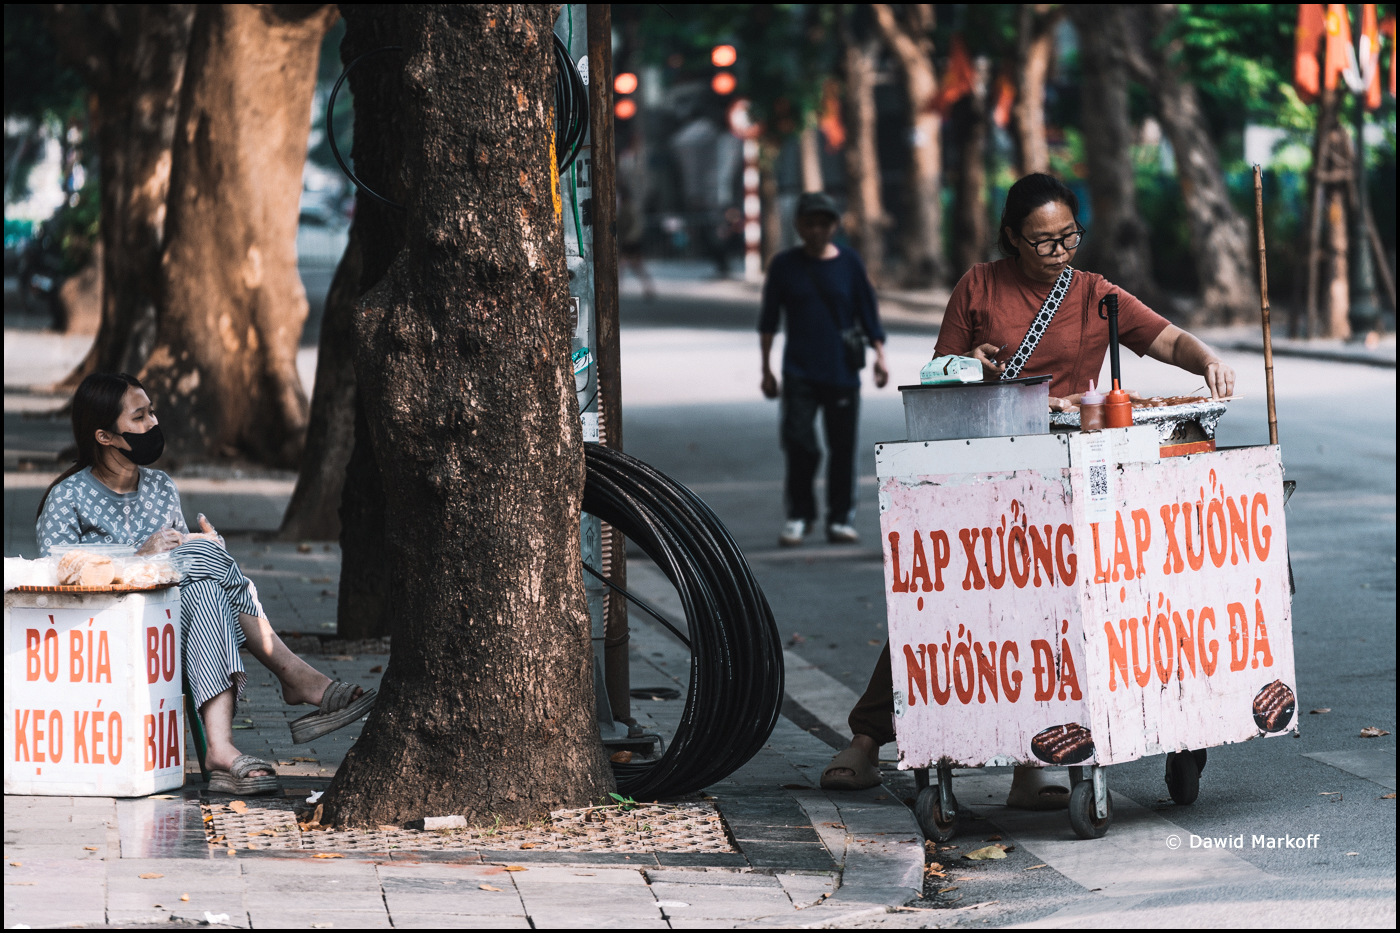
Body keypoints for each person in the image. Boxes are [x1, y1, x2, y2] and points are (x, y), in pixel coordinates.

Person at [820, 173, 1235, 807]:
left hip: (1072, 475)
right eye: (1042, 241)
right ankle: (867, 738)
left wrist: (1207, 359)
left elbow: (1166, 339)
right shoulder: (978, 286)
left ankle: (1031, 763)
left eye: (1069, 237)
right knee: (949, 604)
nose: (1058, 252)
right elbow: (936, 375)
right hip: (989, 471)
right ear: (1012, 237)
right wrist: (972, 367)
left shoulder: (1098, 295)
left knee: (1058, 614)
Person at [36, 373, 377, 796]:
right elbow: (59, 576)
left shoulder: (160, 487)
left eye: (152, 411)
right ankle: (295, 676)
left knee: (206, 587)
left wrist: (204, 547)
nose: (153, 424)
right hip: (105, 635)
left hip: (173, 629)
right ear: (104, 436)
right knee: (202, 562)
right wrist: (140, 557)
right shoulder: (67, 497)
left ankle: (220, 752)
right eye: (140, 417)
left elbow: (184, 571)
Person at [759, 192, 890, 547]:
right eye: (809, 223)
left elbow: (867, 312)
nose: (816, 230)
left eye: (823, 223)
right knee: (800, 443)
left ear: (834, 226)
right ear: (798, 225)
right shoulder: (784, 265)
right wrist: (766, 369)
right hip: (798, 371)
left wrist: (880, 356)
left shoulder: (849, 263)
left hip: (841, 370)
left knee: (842, 447)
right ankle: (799, 515)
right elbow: (769, 320)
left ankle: (840, 518)